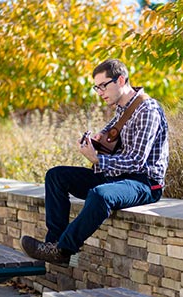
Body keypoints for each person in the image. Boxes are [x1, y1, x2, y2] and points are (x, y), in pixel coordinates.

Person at [20, 58, 169, 267]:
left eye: (103, 85)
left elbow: (137, 161)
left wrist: (97, 159)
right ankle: (52, 243)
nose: (99, 92)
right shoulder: (122, 108)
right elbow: (108, 137)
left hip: (144, 182)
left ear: (121, 80)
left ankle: (63, 249)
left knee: (100, 195)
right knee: (55, 176)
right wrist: (94, 141)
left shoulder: (147, 110)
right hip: (117, 176)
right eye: (96, 87)